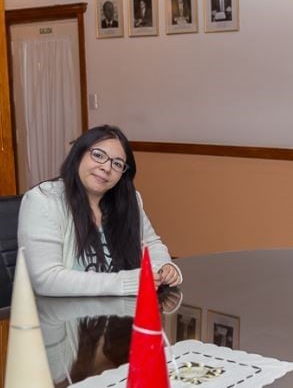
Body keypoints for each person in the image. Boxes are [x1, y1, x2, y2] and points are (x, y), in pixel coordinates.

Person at [18, 124, 183, 297]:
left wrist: (163, 267)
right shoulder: (43, 201)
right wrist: (126, 282)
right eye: (98, 155)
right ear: (78, 154)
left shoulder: (129, 200)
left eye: (117, 164)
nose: (106, 167)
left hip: (118, 313)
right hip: (63, 317)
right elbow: (46, 279)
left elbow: (152, 244)